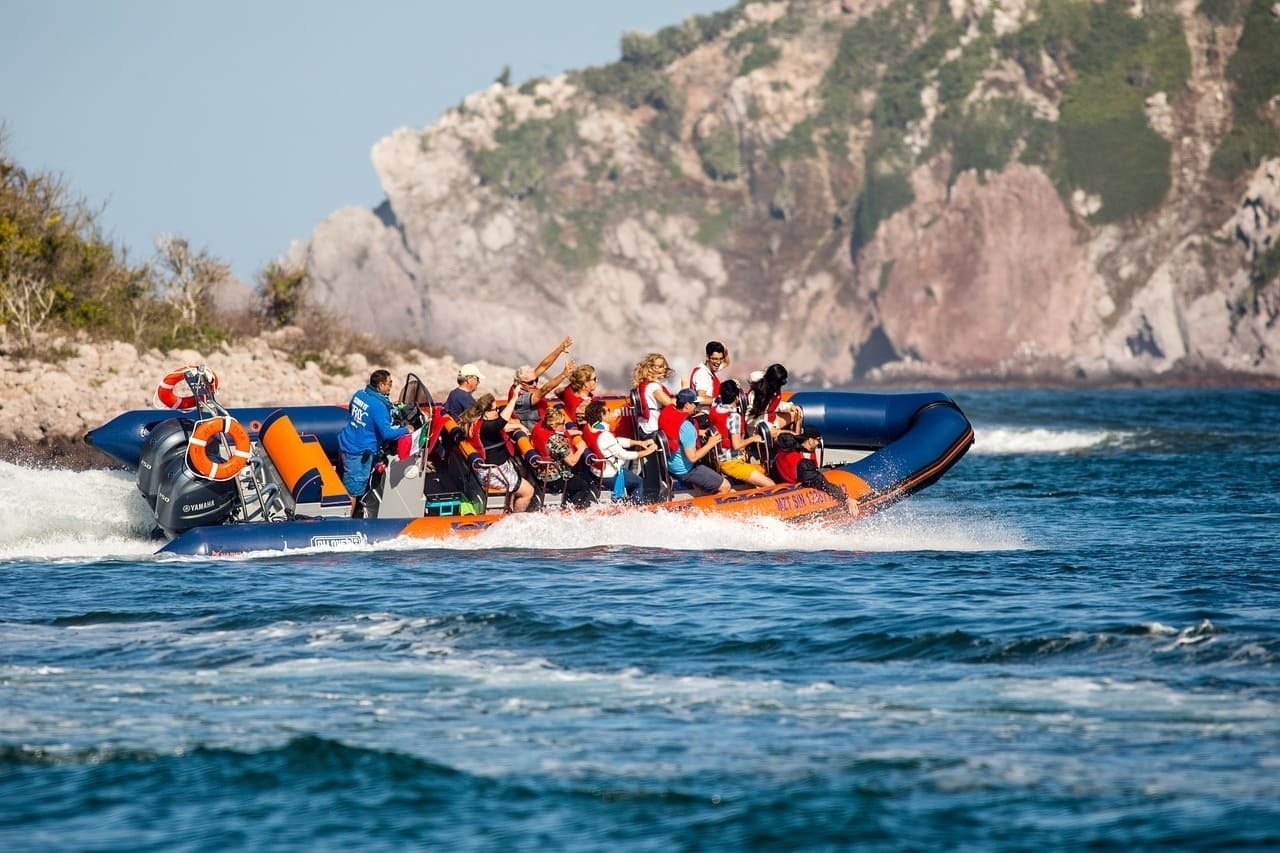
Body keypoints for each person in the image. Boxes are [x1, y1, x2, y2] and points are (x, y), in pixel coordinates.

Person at [338, 369, 410, 515]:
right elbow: (387, 433)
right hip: (359, 452)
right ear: (381, 385)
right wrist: (406, 430)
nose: (391, 386)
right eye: (390, 383)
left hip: (346, 442)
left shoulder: (360, 394)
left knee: (347, 479)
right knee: (352, 491)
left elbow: (352, 410)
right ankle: (346, 522)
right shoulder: (378, 406)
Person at [457, 392, 534, 512]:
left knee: (522, 471)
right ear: (485, 413)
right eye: (494, 409)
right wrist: (514, 399)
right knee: (528, 492)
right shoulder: (486, 427)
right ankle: (517, 519)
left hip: (494, 468)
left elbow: (503, 427)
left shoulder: (478, 423)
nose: (497, 411)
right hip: (493, 471)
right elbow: (501, 423)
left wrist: (518, 426)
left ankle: (511, 506)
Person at [774, 425, 860, 516]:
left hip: (778, 475)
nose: (818, 443)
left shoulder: (785, 443)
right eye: (817, 440)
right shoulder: (804, 464)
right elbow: (822, 483)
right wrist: (846, 499)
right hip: (788, 483)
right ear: (810, 441)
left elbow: (782, 436)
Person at [580, 399, 657, 500]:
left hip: (596, 471)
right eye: (608, 410)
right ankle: (636, 508)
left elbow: (615, 441)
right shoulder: (604, 435)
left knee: (631, 481)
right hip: (609, 474)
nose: (610, 412)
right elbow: (624, 455)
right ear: (602, 416)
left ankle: (628, 504)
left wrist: (639, 443)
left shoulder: (592, 429)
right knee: (638, 482)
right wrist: (648, 451)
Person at [660, 388, 730, 495]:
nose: (697, 407)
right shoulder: (687, 427)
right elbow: (692, 458)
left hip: (670, 464)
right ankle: (708, 510)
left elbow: (678, 433)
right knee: (726, 486)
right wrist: (710, 443)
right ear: (687, 405)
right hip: (685, 470)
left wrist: (699, 432)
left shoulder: (668, 413)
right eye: (695, 404)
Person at [707, 379, 775, 488]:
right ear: (737, 397)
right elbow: (736, 445)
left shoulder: (714, 409)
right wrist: (753, 438)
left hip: (720, 458)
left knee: (762, 470)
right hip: (731, 463)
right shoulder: (734, 417)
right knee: (771, 484)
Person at [631, 353, 678, 501]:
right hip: (652, 429)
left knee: (651, 466)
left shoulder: (645, 384)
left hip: (645, 427)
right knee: (657, 467)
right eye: (659, 366)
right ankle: (655, 496)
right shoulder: (654, 386)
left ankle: (649, 494)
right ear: (650, 368)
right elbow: (668, 403)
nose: (663, 369)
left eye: (664, 366)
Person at [529, 406, 592, 508]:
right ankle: (571, 510)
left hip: (540, 473)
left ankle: (567, 504)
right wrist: (581, 448)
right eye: (562, 424)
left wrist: (571, 433)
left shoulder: (539, 428)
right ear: (553, 426)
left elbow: (555, 434)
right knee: (583, 485)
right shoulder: (557, 440)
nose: (564, 426)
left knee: (575, 480)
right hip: (554, 478)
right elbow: (571, 461)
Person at [509, 358, 577, 428]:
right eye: (531, 382)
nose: (535, 384)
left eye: (536, 380)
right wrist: (563, 375)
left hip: (546, 421)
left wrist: (561, 348)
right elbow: (546, 389)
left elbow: (543, 366)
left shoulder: (527, 384)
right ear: (520, 382)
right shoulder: (520, 398)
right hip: (535, 429)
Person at [747, 363, 799, 433]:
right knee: (788, 433)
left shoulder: (772, 391)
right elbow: (748, 418)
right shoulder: (757, 394)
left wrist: (789, 406)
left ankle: (796, 437)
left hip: (770, 420)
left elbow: (773, 406)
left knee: (797, 413)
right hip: (758, 428)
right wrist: (768, 426)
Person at [688, 341, 728, 406]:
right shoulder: (702, 373)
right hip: (704, 414)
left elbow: (726, 363)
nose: (718, 362)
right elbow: (701, 399)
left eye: (721, 359)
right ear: (707, 357)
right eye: (715, 359)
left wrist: (725, 350)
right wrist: (724, 401)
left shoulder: (710, 369)